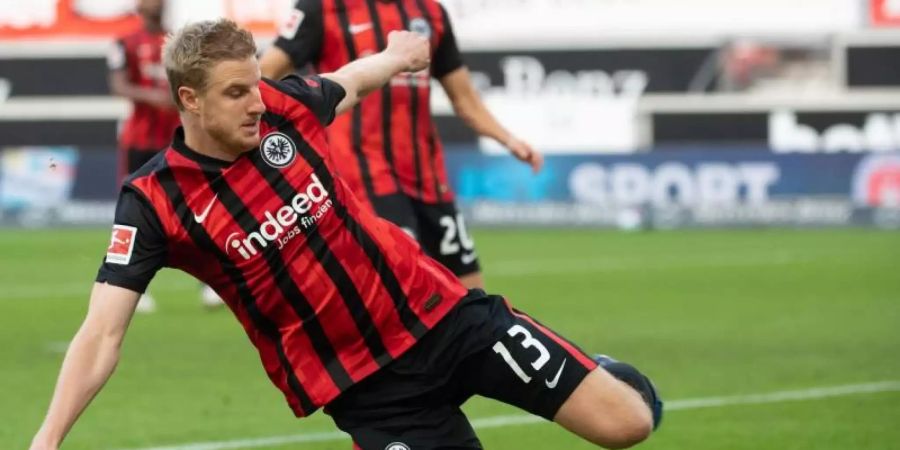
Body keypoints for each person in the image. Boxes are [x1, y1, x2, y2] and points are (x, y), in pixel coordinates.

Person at [30, 19, 660, 450]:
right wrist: (47, 439)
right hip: (367, 388)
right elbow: (102, 331)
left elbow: (355, 77)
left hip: (445, 318)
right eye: (235, 92)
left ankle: (597, 372)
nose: (256, 102)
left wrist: (400, 54)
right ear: (190, 100)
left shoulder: (285, 107)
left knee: (628, 424)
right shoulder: (153, 202)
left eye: (256, 83)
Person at [260, 0, 543, 290]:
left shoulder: (431, 12)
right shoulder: (322, 8)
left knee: (472, 292)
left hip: (428, 178)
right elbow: (266, 75)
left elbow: (465, 99)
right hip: (364, 176)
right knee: (406, 290)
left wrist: (508, 140)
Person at [107, 0, 223, 311]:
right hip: (140, 140)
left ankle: (210, 283)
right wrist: (153, 97)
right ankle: (131, 287)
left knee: (195, 207)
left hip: (177, 138)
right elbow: (118, 85)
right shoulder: (124, 43)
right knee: (137, 212)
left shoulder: (178, 42)